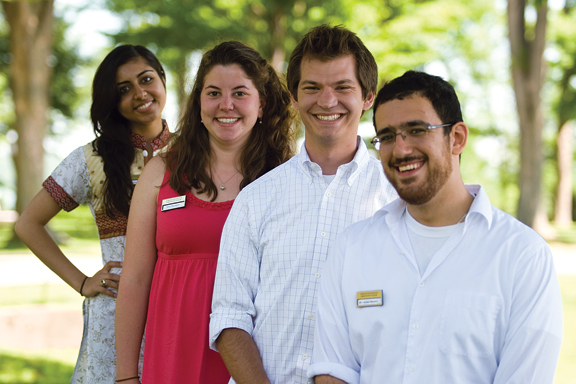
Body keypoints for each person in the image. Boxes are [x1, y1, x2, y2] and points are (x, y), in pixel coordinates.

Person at [308, 70, 563, 384]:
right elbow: (334, 370)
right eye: (387, 136)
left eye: (416, 130)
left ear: (456, 138)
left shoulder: (522, 256)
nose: (400, 149)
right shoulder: (352, 249)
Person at [209, 25, 398, 383]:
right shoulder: (255, 199)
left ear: (368, 97)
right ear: (294, 97)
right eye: (312, 87)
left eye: (343, 87)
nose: (327, 101)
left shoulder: (395, 199)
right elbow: (229, 317)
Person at [114, 40, 295, 384]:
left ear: (262, 105)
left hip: (254, 360)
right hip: (172, 354)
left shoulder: (285, 177)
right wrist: (125, 376)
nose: (226, 105)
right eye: (213, 93)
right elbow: (135, 278)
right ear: (198, 103)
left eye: (240, 93)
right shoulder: (160, 172)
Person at [14, 45, 171, 383]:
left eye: (146, 79)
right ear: (111, 101)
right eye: (123, 89)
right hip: (114, 317)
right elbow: (28, 224)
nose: (140, 93)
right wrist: (82, 282)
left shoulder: (195, 151)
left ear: (163, 80)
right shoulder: (92, 159)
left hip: (179, 307)